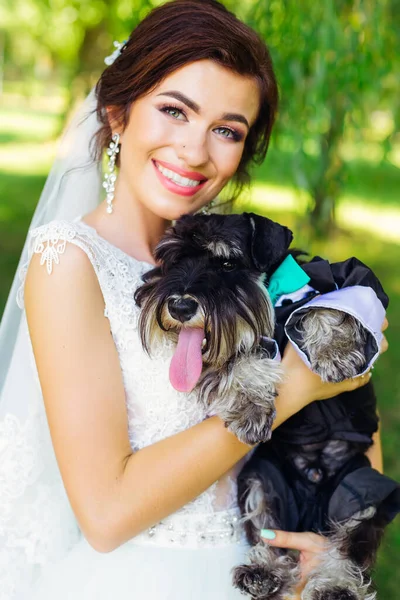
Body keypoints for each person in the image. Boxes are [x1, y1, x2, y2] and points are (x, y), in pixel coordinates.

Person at [0, 1, 388, 598]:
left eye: (227, 130)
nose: (195, 151)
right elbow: (105, 514)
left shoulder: (244, 257)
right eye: (174, 111)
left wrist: (337, 545)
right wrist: (290, 388)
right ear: (118, 112)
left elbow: (353, 407)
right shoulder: (70, 263)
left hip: (262, 571)